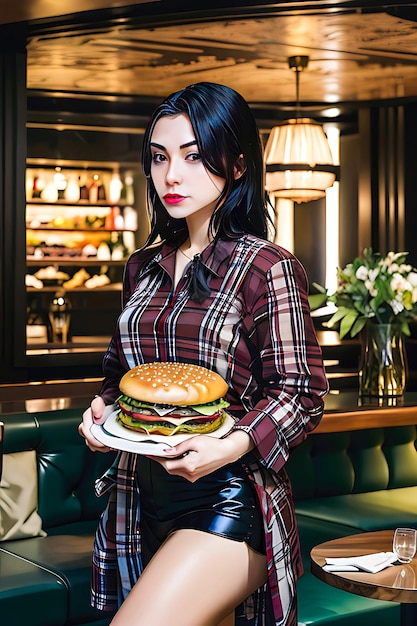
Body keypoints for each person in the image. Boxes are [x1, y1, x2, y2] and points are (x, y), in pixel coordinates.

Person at [79, 81, 329, 626]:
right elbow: (119, 377)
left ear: (236, 165)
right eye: (160, 157)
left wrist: (228, 447)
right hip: (139, 497)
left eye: (194, 156)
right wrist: (100, 415)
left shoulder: (267, 266)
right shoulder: (140, 268)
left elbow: (302, 392)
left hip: (230, 498)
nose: (171, 175)